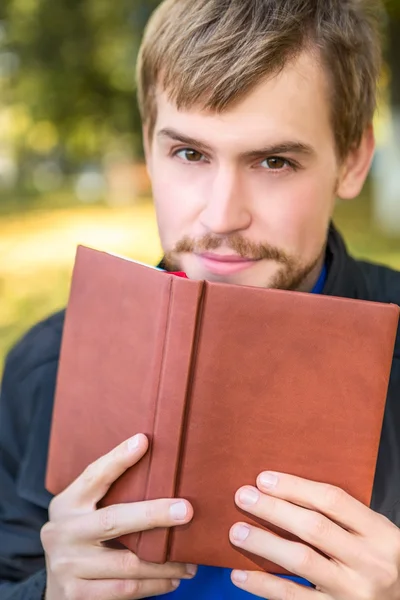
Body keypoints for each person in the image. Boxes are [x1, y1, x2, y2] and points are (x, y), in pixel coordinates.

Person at [1, 0, 400, 598]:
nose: (221, 216)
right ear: (149, 146)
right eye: (189, 153)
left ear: (352, 160)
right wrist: (49, 592)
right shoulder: (43, 369)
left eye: (274, 161)